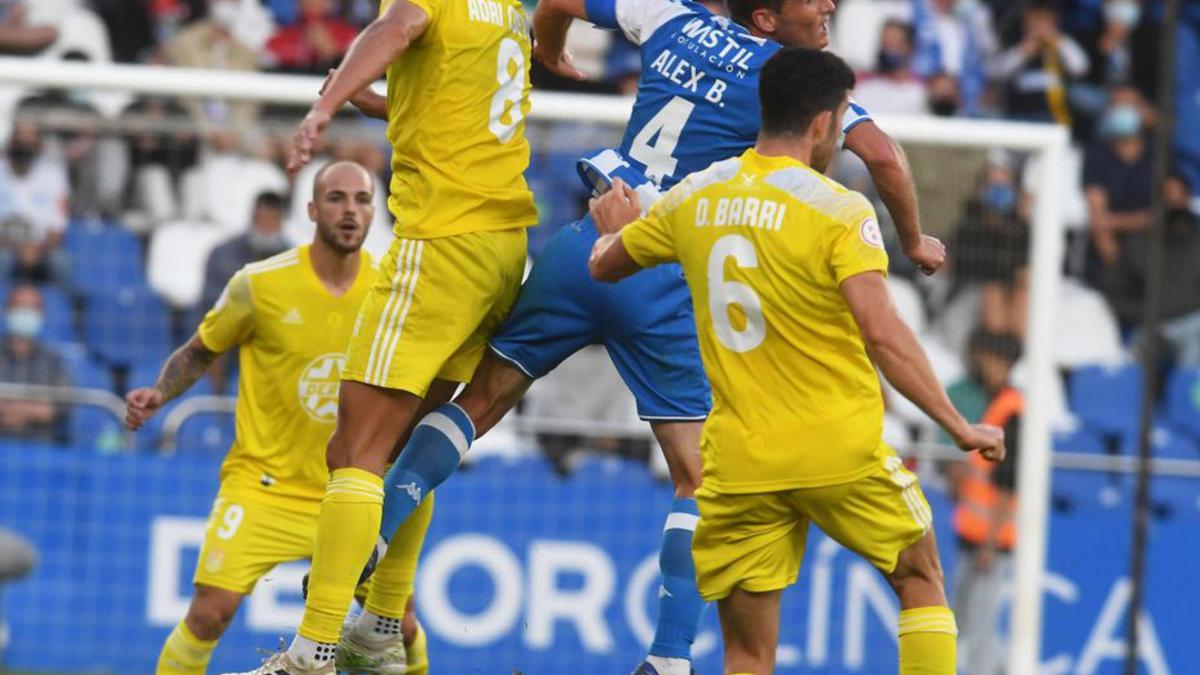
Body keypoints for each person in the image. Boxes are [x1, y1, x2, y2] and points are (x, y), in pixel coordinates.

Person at [359, 0, 947, 671]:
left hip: (585, 242)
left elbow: (554, 4)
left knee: (480, 399)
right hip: (658, 268)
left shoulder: (667, 13)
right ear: (764, 18)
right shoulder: (791, 79)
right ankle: (669, 656)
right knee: (696, 474)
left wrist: (547, 55)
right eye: (812, 1)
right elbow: (885, 158)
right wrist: (913, 239)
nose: (829, 8)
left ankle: (369, 538)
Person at [588, 48, 1005, 674]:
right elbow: (882, 332)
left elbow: (606, 266)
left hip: (739, 461)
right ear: (822, 124)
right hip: (835, 449)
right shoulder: (839, 210)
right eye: (840, 121)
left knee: (748, 654)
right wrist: (958, 423)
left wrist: (610, 231)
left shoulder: (697, 196)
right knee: (919, 576)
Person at [227, 0, 539, 667]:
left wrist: (326, 105)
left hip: (442, 242)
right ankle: (383, 624)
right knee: (407, 446)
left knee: (355, 449)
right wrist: (369, 99)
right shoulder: (510, 12)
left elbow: (397, 27)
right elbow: (445, 108)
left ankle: (313, 649)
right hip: (502, 247)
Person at [121, 162, 431, 675]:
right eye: (336, 199)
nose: (349, 210)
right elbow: (201, 351)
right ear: (311, 209)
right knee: (208, 615)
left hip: (350, 491)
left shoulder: (390, 291)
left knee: (400, 626)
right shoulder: (259, 285)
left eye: (361, 199)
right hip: (263, 485)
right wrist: (159, 393)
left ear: (374, 211)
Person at [948, 331, 1022, 675]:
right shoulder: (996, 404)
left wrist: (990, 542)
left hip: (991, 541)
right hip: (972, 536)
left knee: (980, 625)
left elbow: (1009, 485)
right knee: (961, 618)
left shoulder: (1013, 414)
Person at [0, 285, 70, 443]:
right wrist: (35, 408)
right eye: (20, 307)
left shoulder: (53, 361)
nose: (26, 313)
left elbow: (64, 406)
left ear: (41, 315)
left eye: (32, 308)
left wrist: (20, 411)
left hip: (40, 446)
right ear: (6, 311)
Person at [200, 192, 289, 311]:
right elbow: (210, 299)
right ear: (253, 217)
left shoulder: (292, 258)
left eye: (274, 219)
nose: (268, 225)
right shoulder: (223, 254)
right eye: (263, 218)